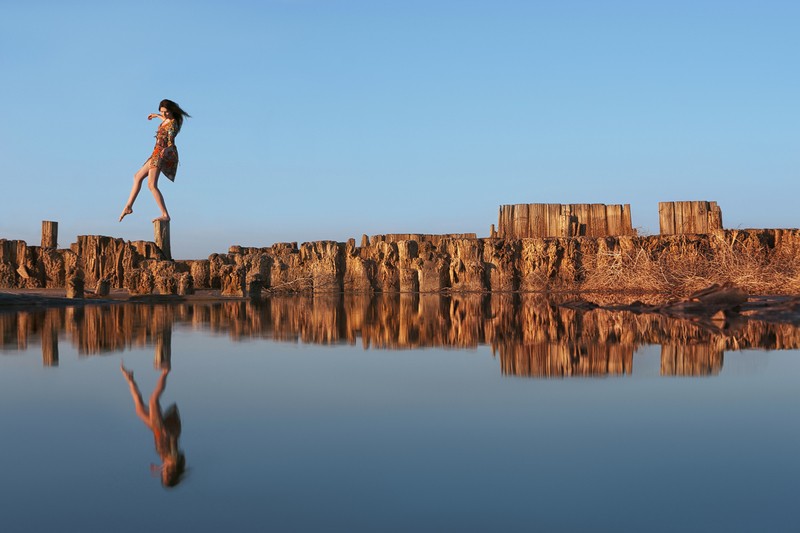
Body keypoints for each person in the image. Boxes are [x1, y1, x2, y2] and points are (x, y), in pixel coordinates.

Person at [119, 99, 190, 223]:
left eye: (166, 112)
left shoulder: (172, 124)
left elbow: (171, 142)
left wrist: (166, 151)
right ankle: (129, 206)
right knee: (137, 176)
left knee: (151, 184)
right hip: (155, 153)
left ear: (172, 111)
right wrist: (157, 116)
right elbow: (165, 121)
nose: (164, 114)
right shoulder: (167, 120)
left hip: (161, 154)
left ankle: (165, 214)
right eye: (162, 112)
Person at [120, 362, 187, 488]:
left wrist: (162, 465)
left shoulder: (167, 462)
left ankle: (130, 379)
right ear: (171, 474)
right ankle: (165, 371)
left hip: (158, 430)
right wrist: (168, 435)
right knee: (153, 401)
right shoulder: (173, 460)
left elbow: (164, 450)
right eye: (165, 475)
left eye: (163, 475)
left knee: (139, 410)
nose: (163, 473)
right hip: (165, 429)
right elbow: (172, 445)